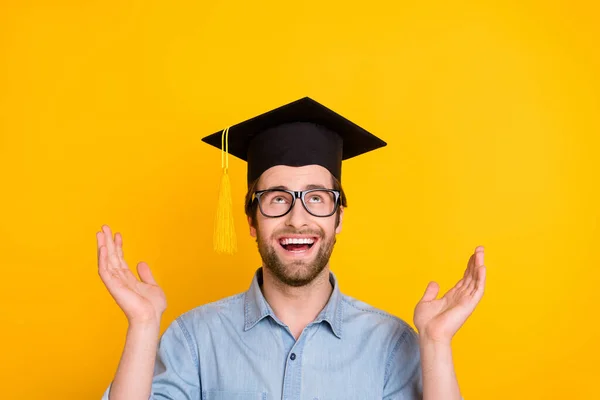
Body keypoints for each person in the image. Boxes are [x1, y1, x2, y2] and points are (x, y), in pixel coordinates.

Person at [97, 97, 486, 400]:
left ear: (339, 219)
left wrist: (435, 344)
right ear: (252, 221)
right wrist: (143, 327)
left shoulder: (391, 343)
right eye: (277, 198)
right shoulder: (195, 338)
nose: (297, 219)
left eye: (317, 198)